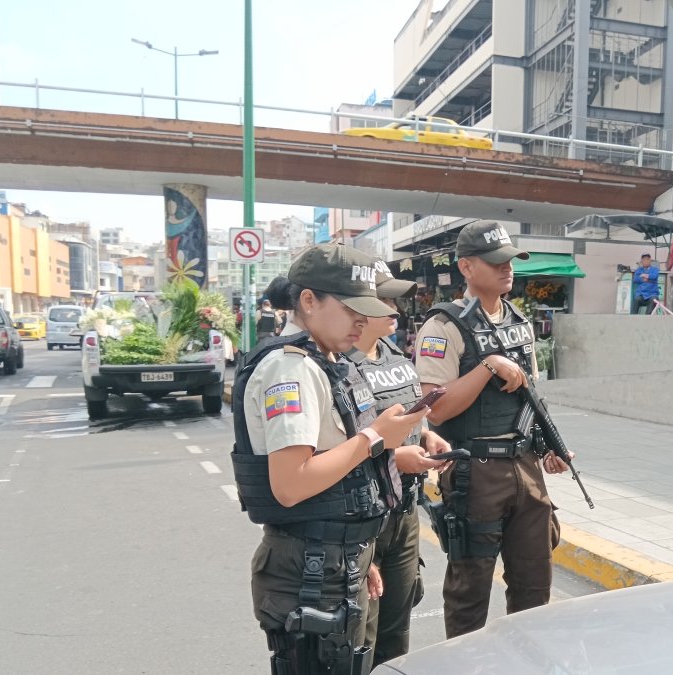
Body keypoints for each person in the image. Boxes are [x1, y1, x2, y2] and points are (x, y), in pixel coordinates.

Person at [230, 243, 429, 673]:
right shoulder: (291, 369)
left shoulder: (327, 361)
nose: (362, 320)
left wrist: (360, 555)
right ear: (308, 301)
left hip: (335, 561)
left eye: (367, 310)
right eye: (351, 308)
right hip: (311, 571)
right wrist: (378, 437)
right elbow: (291, 484)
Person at [413, 220, 568, 638]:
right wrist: (487, 366)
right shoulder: (443, 326)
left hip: (526, 465)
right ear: (466, 267)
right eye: (495, 261)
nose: (507, 269)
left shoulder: (519, 321)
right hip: (475, 472)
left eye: (511, 261)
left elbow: (531, 393)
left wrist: (547, 444)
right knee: (470, 592)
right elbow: (438, 410)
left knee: (535, 585)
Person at [348, 260, 452, 665]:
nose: (396, 308)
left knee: (397, 629)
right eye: (386, 298)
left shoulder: (393, 354)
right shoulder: (340, 366)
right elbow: (342, 446)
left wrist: (426, 435)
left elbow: (410, 414)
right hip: (365, 516)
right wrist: (394, 457)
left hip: (405, 514)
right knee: (362, 634)